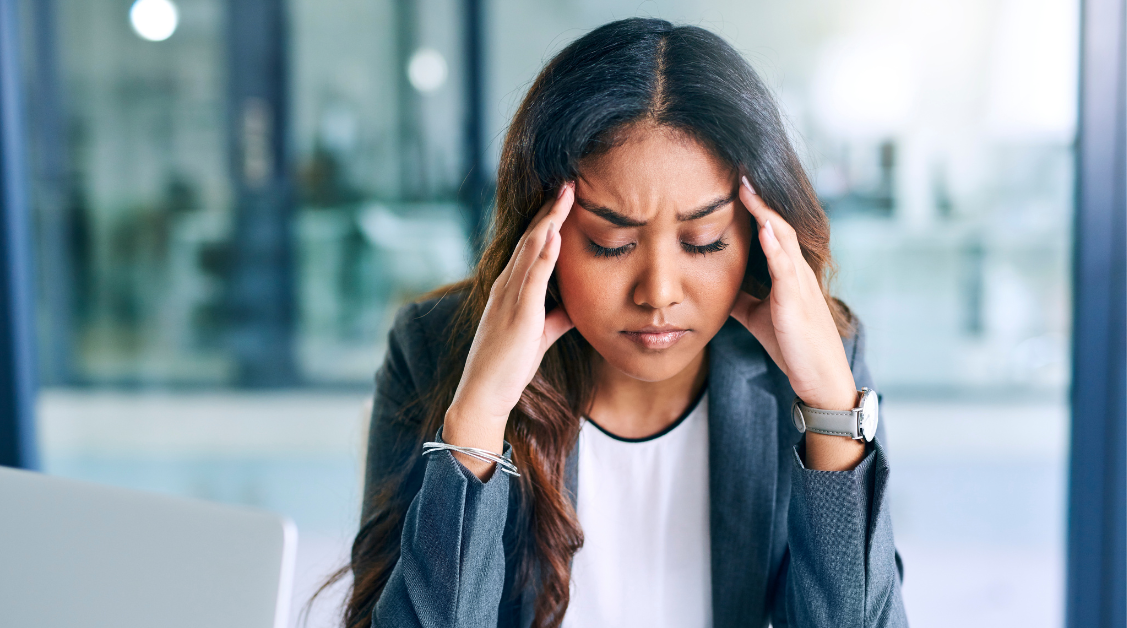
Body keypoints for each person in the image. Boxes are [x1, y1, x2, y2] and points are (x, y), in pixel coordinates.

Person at [318, 17, 908, 628]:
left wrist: (832, 409)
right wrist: (480, 417)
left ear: (758, 238)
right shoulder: (434, 346)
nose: (658, 294)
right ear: (540, 233)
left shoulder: (814, 359)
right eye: (608, 242)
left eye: (703, 241)